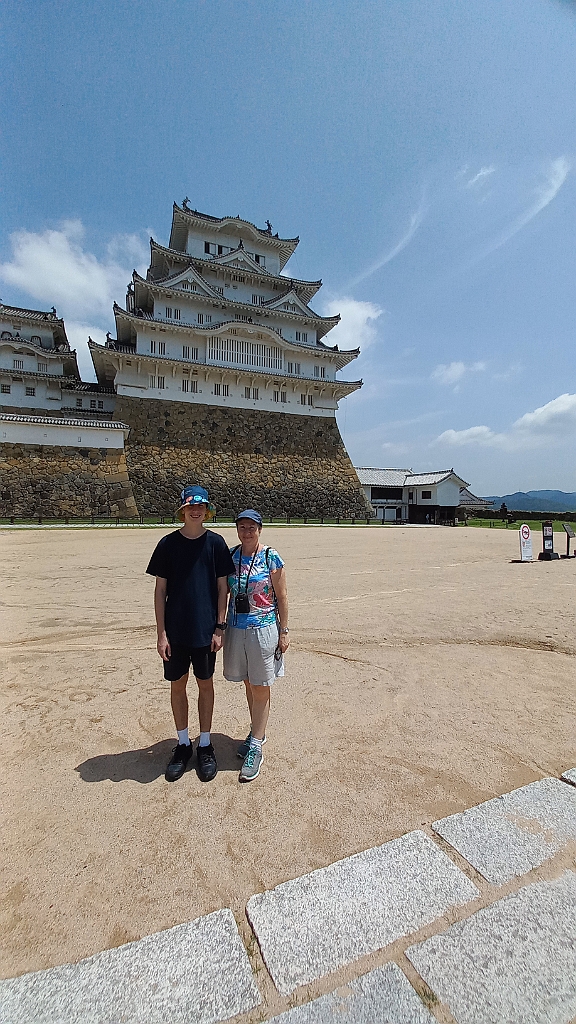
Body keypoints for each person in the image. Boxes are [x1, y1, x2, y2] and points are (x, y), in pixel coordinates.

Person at [146, 486, 235, 783]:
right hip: (176, 630)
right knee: (178, 686)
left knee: (205, 684)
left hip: (205, 630)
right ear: (183, 510)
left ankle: (205, 744)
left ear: (206, 511)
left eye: (200, 507)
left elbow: (223, 589)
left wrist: (219, 627)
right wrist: (161, 633)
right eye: (190, 507)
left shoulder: (216, 543)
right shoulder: (168, 544)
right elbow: (160, 591)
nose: (195, 511)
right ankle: (183, 743)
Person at [223, 510, 289, 782]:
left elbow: (282, 597)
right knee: (248, 683)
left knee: (261, 685)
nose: (247, 531)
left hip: (263, 629)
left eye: (252, 527)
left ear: (260, 529)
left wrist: (284, 631)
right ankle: (256, 732)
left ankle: (256, 746)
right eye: (242, 527)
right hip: (236, 628)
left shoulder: (270, 557)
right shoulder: (230, 555)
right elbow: (222, 593)